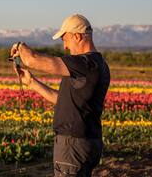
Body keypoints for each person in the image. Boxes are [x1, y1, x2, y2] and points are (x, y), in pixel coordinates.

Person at [10, 14, 110, 177]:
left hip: (73, 145)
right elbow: (63, 100)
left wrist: (20, 46)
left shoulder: (84, 63)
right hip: (88, 141)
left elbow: (32, 60)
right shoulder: (100, 64)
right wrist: (32, 82)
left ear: (77, 37)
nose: (65, 47)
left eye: (65, 39)